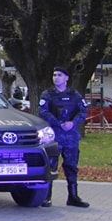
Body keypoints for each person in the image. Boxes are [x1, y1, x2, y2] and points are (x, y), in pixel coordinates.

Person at [38, 66, 90, 208]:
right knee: (51, 165)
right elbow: (43, 111)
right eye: (54, 75)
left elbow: (83, 111)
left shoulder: (74, 94)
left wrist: (73, 123)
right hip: (54, 136)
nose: (56, 77)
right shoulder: (48, 94)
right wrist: (58, 123)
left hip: (71, 137)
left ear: (66, 78)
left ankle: (73, 196)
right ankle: (46, 197)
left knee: (71, 166)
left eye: (59, 75)